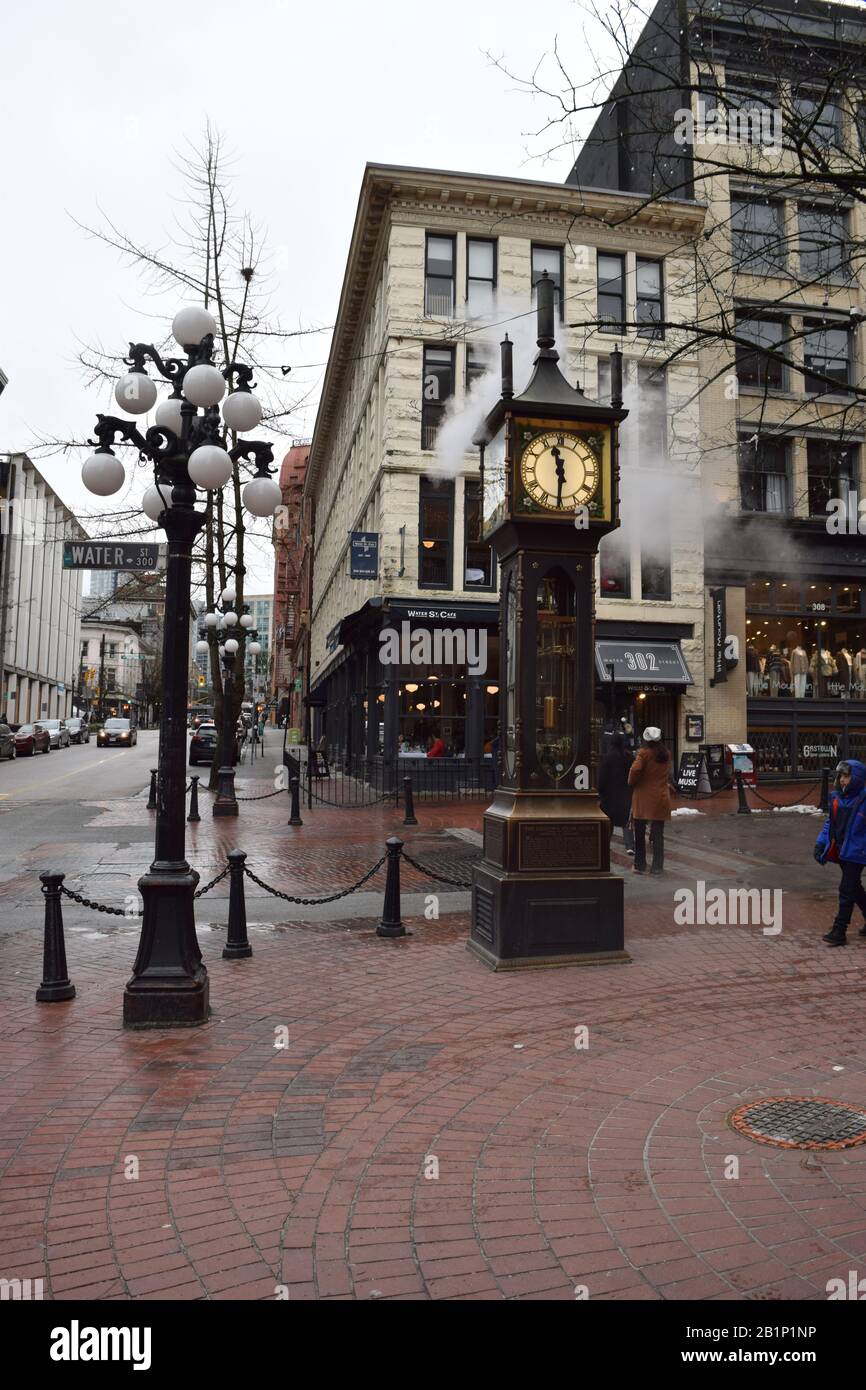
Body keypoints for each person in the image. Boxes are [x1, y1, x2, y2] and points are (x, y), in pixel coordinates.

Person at [814, 759, 866, 947]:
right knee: (854, 887)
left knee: (846, 888)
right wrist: (821, 843)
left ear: (857, 778)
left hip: (858, 852)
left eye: (847, 776)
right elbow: (830, 824)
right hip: (843, 849)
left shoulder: (864, 799)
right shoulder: (837, 798)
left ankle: (839, 930)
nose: (843, 780)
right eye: (841, 776)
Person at [627, 726, 672, 875]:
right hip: (661, 797)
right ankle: (657, 867)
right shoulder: (666, 754)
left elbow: (635, 770)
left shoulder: (643, 753)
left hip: (643, 798)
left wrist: (632, 782)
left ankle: (640, 865)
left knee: (639, 833)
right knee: (658, 834)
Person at [598, 732, 634, 855]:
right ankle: (629, 845)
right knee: (626, 821)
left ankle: (605, 845)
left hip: (610, 794)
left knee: (609, 820)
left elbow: (602, 777)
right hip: (625, 793)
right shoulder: (629, 757)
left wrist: (601, 791)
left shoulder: (607, 757)